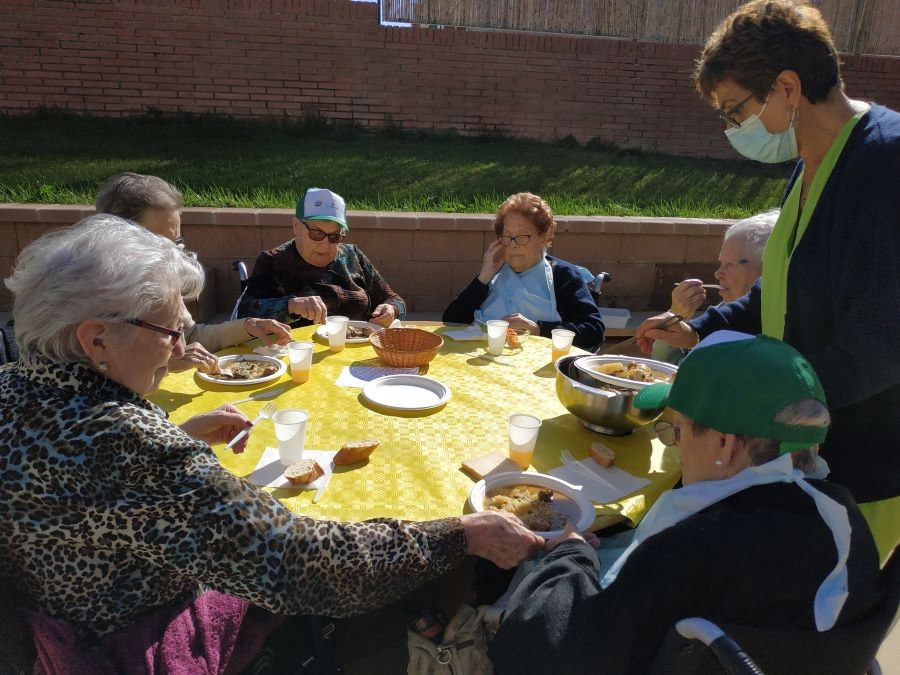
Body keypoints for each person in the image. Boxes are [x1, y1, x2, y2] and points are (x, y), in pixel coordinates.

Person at [0, 215, 544, 671]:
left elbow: (89, 495)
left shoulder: (12, 385)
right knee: (367, 605)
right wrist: (461, 536)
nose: (182, 347)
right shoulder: (126, 445)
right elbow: (299, 563)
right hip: (127, 641)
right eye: (170, 332)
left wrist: (180, 433)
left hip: (48, 623)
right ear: (96, 339)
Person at [635, 0, 900, 562]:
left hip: (861, 466)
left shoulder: (886, 162)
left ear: (787, 88)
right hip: (792, 445)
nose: (734, 129)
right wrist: (700, 328)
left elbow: (882, 341)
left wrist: (755, 410)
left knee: (832, 603)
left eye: (736, 110)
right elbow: (779, 289)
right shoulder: (808, 163)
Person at [490, 333, 884, 674]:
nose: (676, 448)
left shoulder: (697, 548)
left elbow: (541, 652)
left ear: (724, 444)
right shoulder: (847, 517)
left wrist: (570, 556)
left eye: (677, 431)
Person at [96, 172, 292, 374]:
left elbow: (190, 336)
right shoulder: (93, 296)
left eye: (176, 242)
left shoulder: (162, 279)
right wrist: (165, 363)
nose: (174, 255)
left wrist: (248, 327)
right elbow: (100, 371)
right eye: (159, 244)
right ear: (116, 238)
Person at [443, 192, 605, 350]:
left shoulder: (562, 275)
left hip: (537, 364)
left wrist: (539, 329)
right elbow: (451, 320)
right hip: (482, 359)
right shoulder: (494, 273)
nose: (513, 244)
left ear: (544, 237)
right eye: (507, 236)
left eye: (522, 236)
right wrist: (482, 279)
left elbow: (594, 330)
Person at [236, 187, 405, 327]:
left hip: (358, 350)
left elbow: (394, 299)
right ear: (296, 226)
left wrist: (391, 309)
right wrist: (290, 305)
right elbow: (244, 314)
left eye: (335, 236)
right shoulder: (273, 262)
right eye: (316, 233)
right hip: (299, 352)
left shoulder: (352, 255)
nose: (325, 244)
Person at [652, 209, 777, 364]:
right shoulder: (720, 314)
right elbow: (666, 365)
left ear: (767, 270)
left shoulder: (775, 332)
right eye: (721, 263)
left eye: (730, 264)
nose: (718, 274)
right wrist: (675, 316)